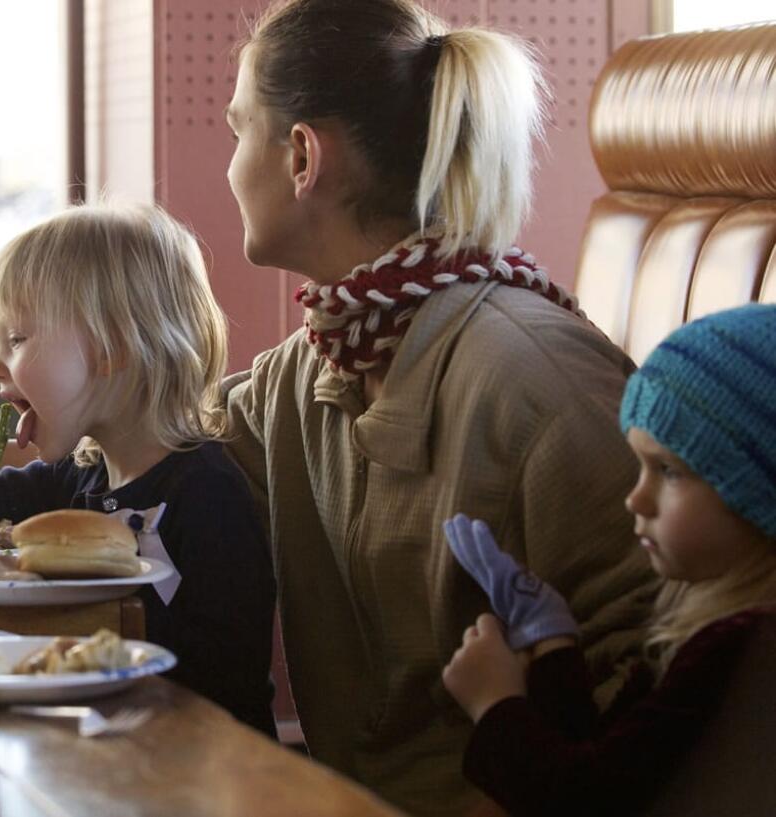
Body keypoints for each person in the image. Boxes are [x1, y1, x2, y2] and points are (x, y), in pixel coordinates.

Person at [220, 0, 656, 812]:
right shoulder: (308, 371)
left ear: (302, 157)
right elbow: (169, 451)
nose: (230, 167)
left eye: (240, 131)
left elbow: (674, 675)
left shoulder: (536, 381)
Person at [0, 203, 278, 735]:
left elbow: (226, 670)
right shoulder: (80, 479)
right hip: (102, 745)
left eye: (16, 340)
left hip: (201, 756)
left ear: (112, 347)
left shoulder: (205, 491)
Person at [441, 304, 776, 816]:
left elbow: (585, 799)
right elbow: (607, 754)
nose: (635, 500)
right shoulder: (712, 620)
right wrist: (551, 642)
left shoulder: (746, 647)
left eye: (668, 470)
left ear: (756, 492)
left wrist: (495, 705)